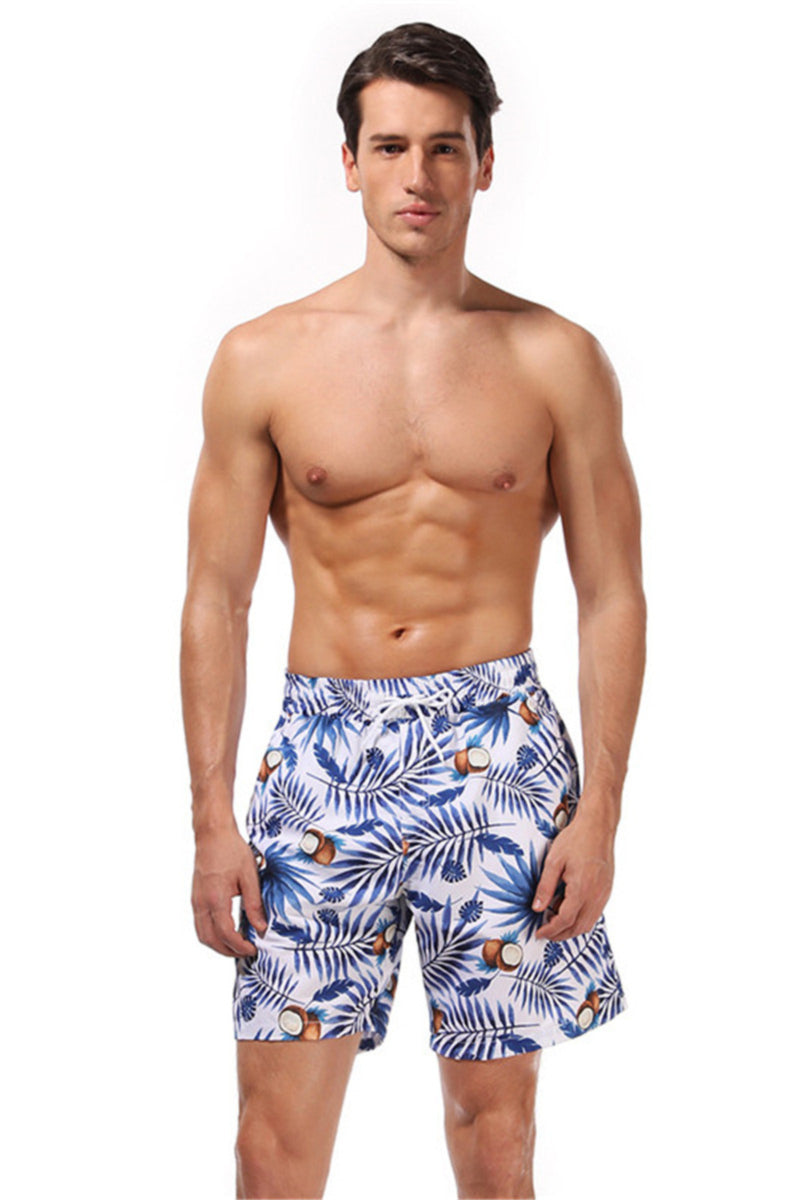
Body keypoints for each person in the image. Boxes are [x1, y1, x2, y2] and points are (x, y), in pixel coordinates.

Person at [180, 20, 646, 1200]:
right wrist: (210, 820)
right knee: (271, 1144)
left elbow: (610, 594)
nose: (417, 175)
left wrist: (599, 813)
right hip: (319, 758)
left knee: (494, 1139)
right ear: (348, 163)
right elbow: (217, 598)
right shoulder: (261, 358)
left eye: (444, 147)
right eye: (388, 147)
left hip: (498, 755)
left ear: (484, 162)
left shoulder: (555, 358)